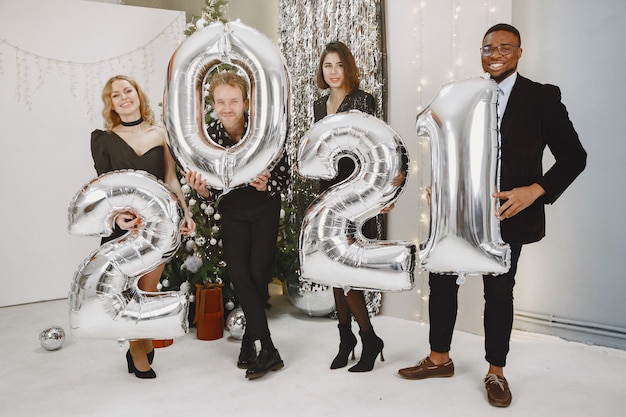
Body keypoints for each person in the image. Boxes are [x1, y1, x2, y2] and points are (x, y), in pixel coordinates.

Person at [397, 23, 587, 407]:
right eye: (488, 48)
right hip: (458, 213)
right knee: (441, 281)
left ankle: (496, 372)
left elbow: (574, 157)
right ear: (480, 53)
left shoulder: (541, 98)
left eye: (504, 47)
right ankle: (439, 358)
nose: (495, 54)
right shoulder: (464, 94)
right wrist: (442, 185)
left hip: (508, 214)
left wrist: (535, 191)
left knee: (499, 292)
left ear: (519, 52)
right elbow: (452, 146)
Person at [185, 71, 291, 380]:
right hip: (232, 212)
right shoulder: (206, 138)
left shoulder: (265, 132)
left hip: (264, 209)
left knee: (258, 277)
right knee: (239, 275)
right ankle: (268, 347)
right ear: (213, 104)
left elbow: (284, 179)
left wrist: (266, 184)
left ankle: (250, 342)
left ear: (245, 101)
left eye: (233, 101)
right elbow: (212, 188)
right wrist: (202, 189)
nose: (227, 108)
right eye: (220, 102)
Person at [91, 75, 195, 379]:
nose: (123, 97)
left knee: (146, 291)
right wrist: (116, 217)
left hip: (157, 224)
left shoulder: (161, 133)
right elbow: (104, 186)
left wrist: (185, 213)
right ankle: (138, 350)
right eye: (115, 95)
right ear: (110, 103)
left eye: (128, 90)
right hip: (124, 224)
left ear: (138, 95)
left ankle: (138, 341)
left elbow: (171, 179)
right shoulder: (103, 139)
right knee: (128, 290)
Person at [313, 41, 401, 373]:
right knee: (333, 268)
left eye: (337, 65)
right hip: (327, 192)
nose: (332, 72)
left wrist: (385, 192)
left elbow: (378, 145)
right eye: (327, 66)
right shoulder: (319, 106)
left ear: (348, 67)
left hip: (358, 192)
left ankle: (368, 336)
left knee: (348, 270)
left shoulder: (363, 100)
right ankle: (345, 337)